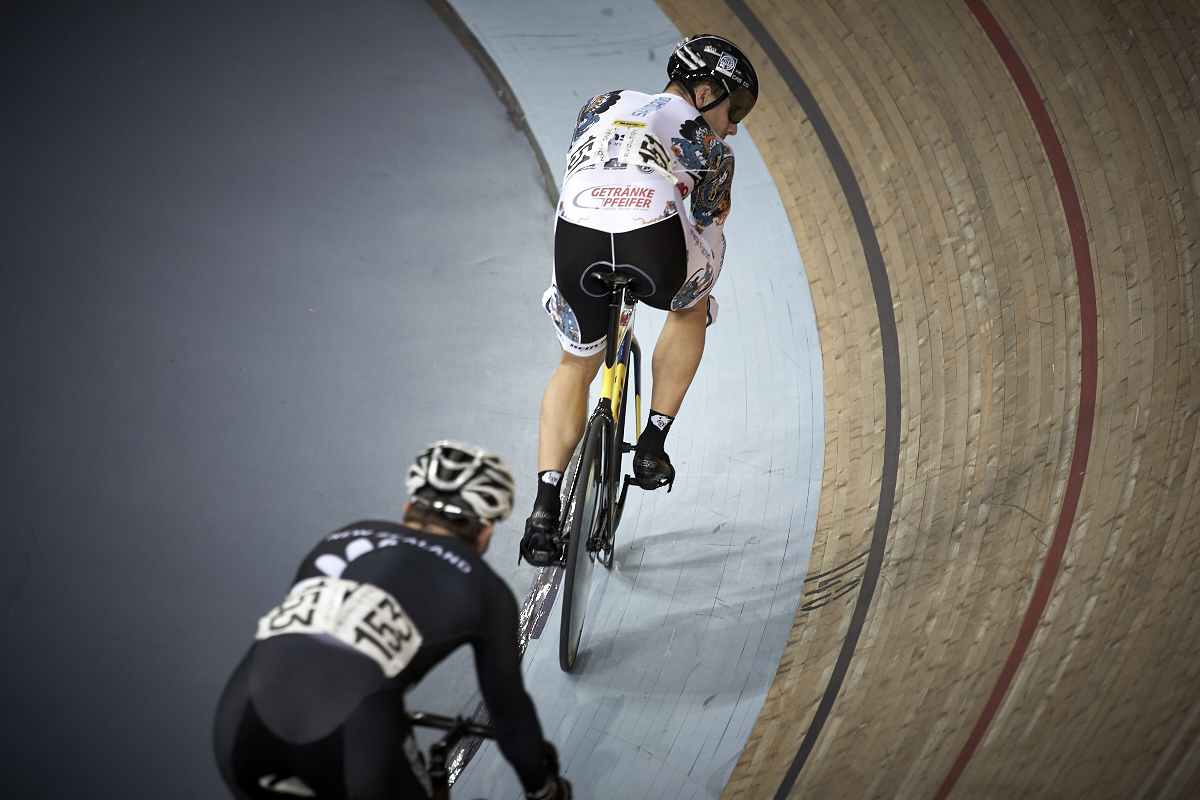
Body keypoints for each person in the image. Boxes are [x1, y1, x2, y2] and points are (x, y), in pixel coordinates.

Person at [214, 441, 572, 800]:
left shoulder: (340, 537)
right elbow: (508, 713)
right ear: (484, 533)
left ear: (407, 509)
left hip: (240, 726)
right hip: (356, 738)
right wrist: (542, 788)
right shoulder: (487, 590)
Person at [520, 35, 759, 565]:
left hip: (576, 236)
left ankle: (542, 509)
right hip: (650, 239)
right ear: (704, 93)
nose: (735, 125)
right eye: (736, 107)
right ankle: (651, 445)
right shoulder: (713, 148)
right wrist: (698, 295)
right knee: (692, 306)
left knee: (575, 363)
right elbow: (707, 227)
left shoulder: (598, 104)